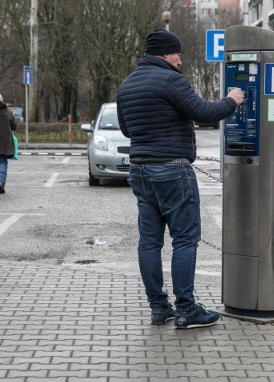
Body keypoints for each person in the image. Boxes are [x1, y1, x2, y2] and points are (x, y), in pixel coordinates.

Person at [116, 28, 245, 329]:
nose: (181, 60)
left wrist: (174, 122)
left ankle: (159, 308)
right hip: (173, 170)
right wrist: (232, 99)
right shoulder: (172, 80)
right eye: (178, 53)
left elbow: (127, 129)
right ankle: (186, 309)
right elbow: (205, 112)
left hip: (140, 170)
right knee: (185, 240)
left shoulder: (127, 84)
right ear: (164, 53)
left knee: (149, 241)